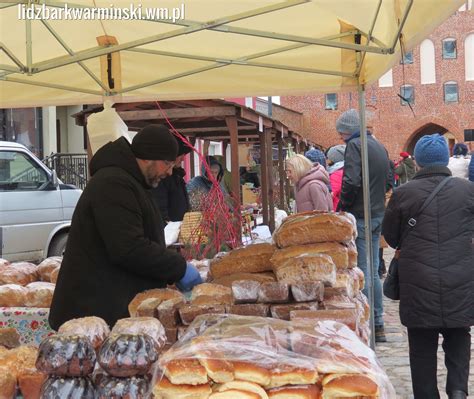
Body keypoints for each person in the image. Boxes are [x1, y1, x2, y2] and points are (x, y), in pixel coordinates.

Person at [49, 125, 202, 329]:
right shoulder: (113, 184)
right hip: (90, 314)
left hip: (107, 308)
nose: (169, 171)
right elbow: (128, 247)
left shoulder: (132, 182)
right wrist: (178, 268)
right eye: (167, 163)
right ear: (148, 157)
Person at [382, 134, 474, 399]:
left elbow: (392, 237)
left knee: (421, 343)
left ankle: (426, 394)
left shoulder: (402, 193)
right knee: (459, 335)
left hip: (418, 278)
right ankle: (457, 391)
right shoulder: (467, 191)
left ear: (419, 161)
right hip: (459, 276)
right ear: (444, 160)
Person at [335, 109, 390, 343]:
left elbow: (351, 180)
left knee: (365, 270)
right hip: (377, 212)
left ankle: (370, 322)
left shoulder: (355, 146)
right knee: (374, 268)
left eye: (340, 134)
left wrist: (343, 208)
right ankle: (377, 322)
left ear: (347, 130)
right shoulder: (379, 146)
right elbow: (389, 181)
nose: (340, 139)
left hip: (361, 214)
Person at [150, 136, 192, 223]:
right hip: (169, 233)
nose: (183, 158)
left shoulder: (177, 176)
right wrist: (170, 228)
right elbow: (160, 210)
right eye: (181, 154)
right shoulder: (162, 177)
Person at [326, 144, 345, 210]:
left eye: (328, 158)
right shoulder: (343, 170)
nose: (326, 160)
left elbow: (331, 195)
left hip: (336, 208)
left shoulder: (336, 174)